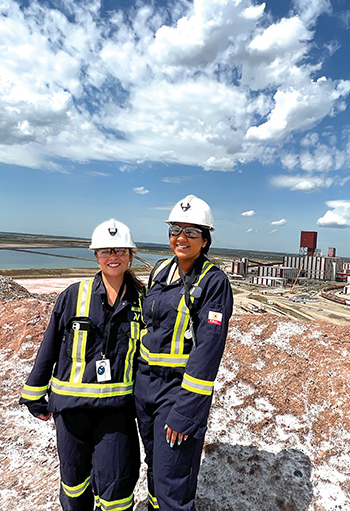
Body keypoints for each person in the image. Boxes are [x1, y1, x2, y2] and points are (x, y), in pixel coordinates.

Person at [19, 219, 142, 511]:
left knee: (117, 486)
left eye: (120, 250)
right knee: (74, 484)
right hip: (72, 410)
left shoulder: (141, 300)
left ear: (130, 255)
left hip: (117, 411)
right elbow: (49, 345)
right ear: (95, 255)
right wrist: (34, 394)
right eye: (105, 251)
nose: (113, 256)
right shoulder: (74, 295)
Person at [135, 195, 234, 511]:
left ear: (205, 240)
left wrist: (186, 412)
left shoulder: (213, 282)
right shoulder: (161, 270)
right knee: (154, 465)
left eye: (192, 232)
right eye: (176, 229)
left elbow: (208, 351)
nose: (181, 237)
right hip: (145, 388)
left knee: (172, 479)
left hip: (177, 394)